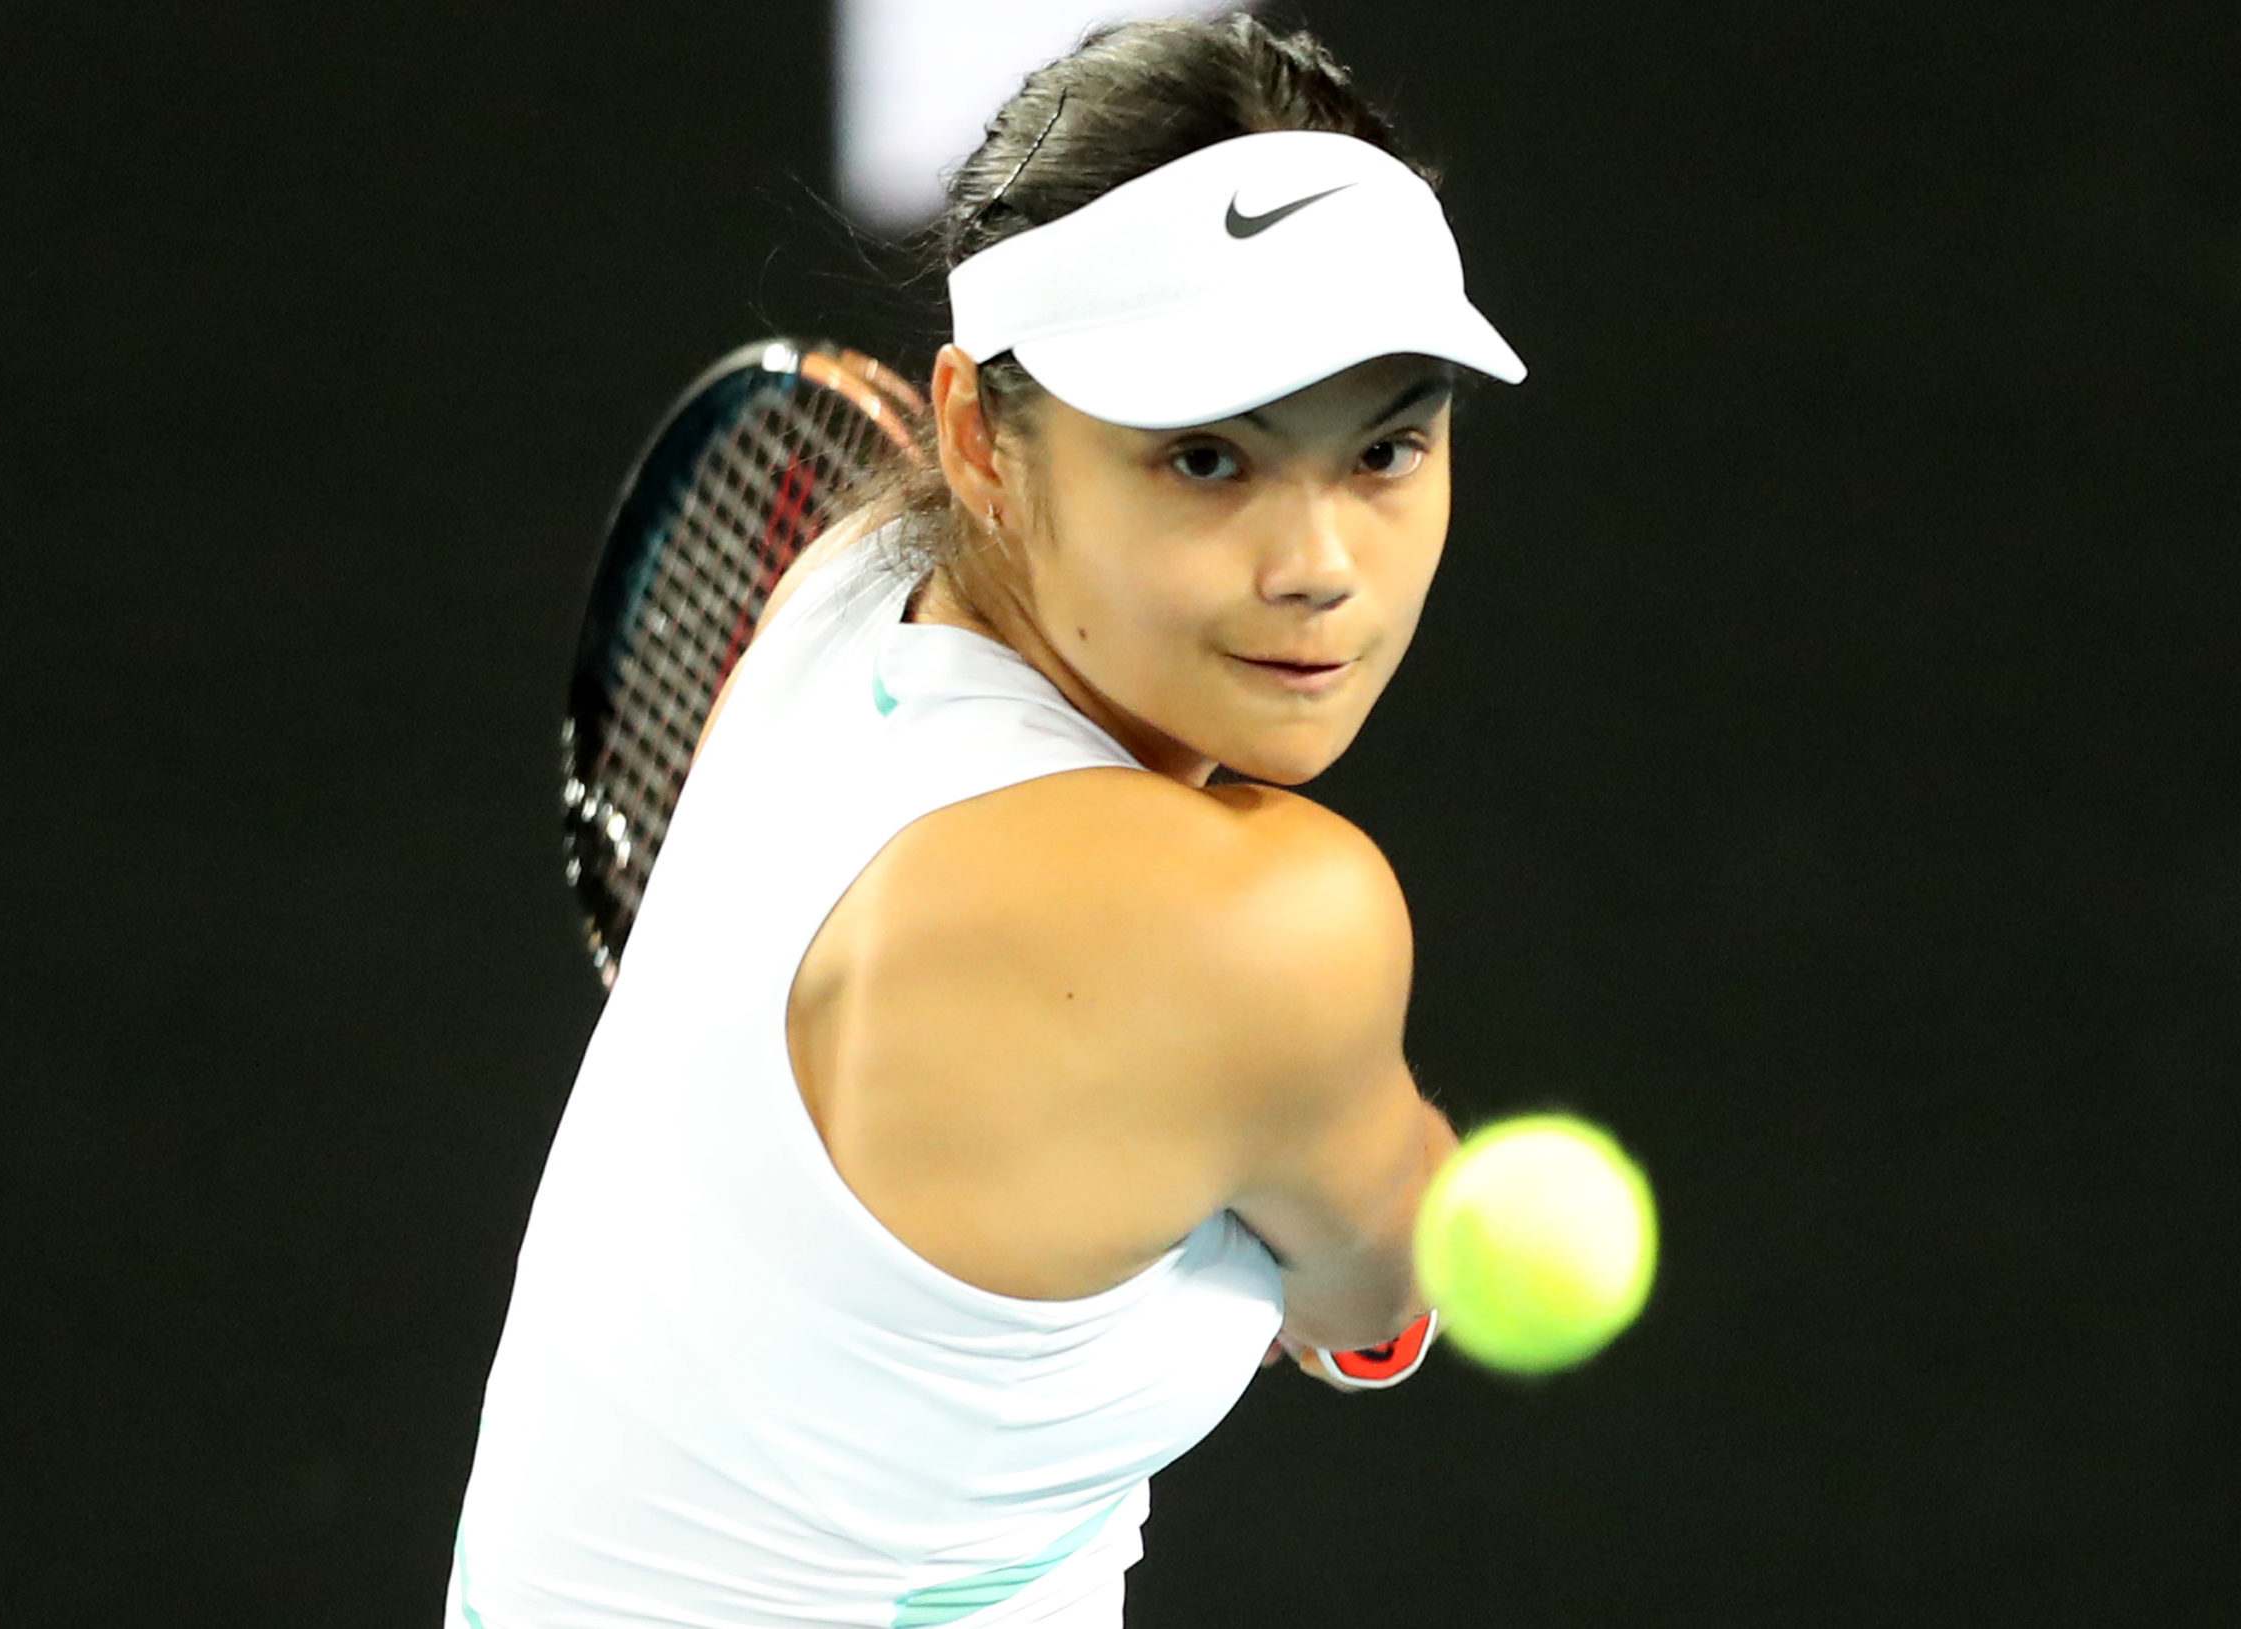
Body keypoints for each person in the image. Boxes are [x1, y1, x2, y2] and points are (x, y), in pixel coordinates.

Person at [445, 16, 1527, 1626]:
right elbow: (1381, 1278)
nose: (1318, 566)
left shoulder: (844, 588)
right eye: (1206, 459)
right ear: (971, 436)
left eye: (1387, 446)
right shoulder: (1267, 927)